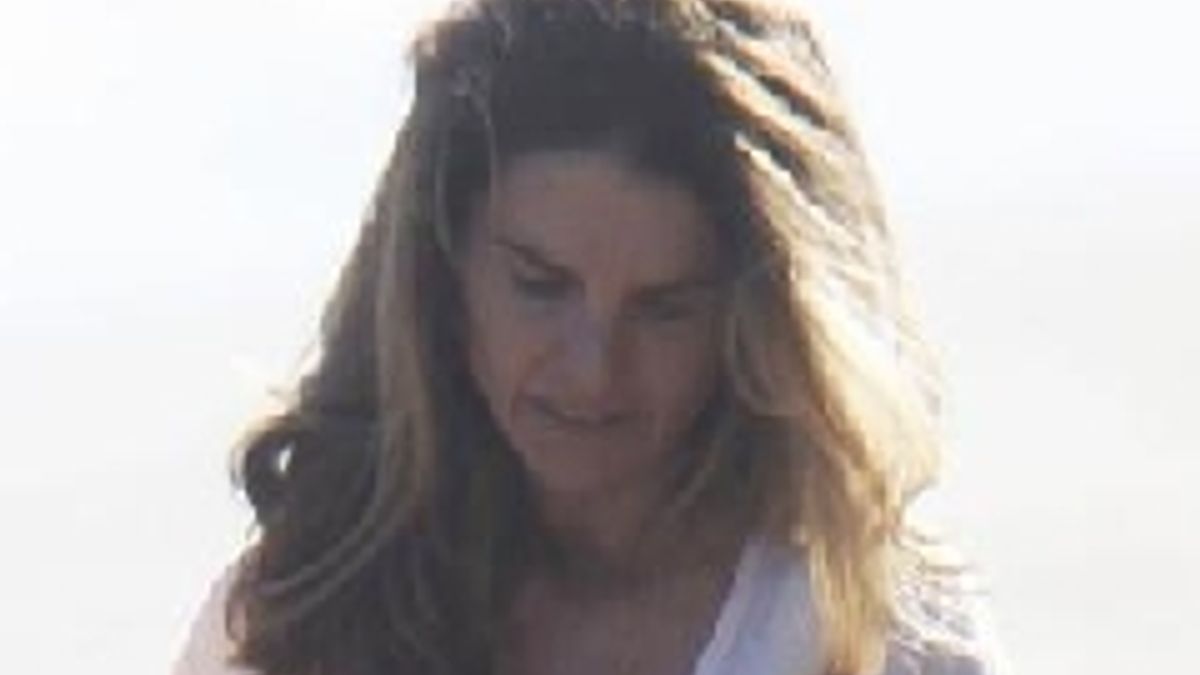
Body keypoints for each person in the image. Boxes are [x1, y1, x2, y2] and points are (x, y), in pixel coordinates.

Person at [174, 0, 1006, 673]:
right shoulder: (305, 615)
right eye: (540, 287)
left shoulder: (871, 628)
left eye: (665, 307)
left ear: (758, 319)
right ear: (441, 267)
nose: (595, 369)